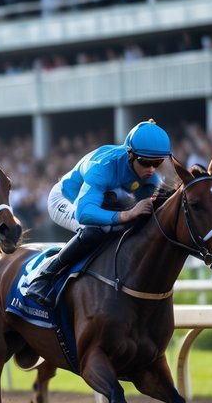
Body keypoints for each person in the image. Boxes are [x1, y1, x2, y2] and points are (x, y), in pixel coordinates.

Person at [23, 120, 169, 305]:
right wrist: (127, 215)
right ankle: (45, 278)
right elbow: (84, 213)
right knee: (95, 231)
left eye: (158, 163)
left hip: (103, 201)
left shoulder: (149, 176)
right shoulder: (103, 167)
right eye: (146, 162)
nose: (151, 169)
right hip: (67, 200)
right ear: (130, 154)